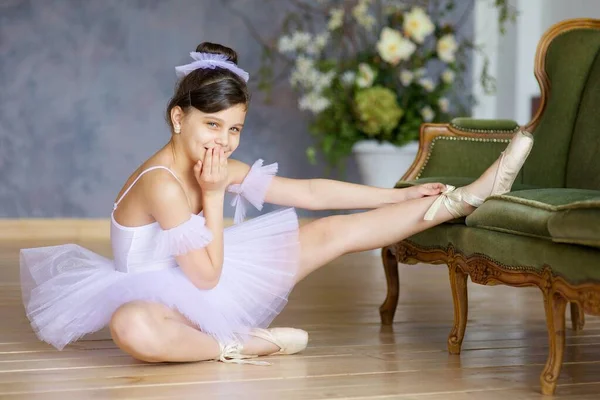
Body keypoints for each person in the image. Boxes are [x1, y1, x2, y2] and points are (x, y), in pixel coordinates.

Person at [19, 42, 534, 366]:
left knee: (330, 232)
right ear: (179, 119)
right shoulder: (162, 183)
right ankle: (241, 345)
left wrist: (395, 194)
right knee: (131, 327)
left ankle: (464, 198)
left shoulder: (212, 162)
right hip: (176, 288)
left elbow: (309, 192)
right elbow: (204, 278)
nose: (222, 141)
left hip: (207, 272)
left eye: (234, 129)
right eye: (211, 125)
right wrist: (216, 196)